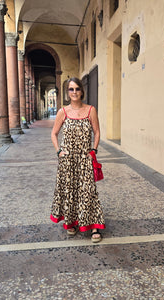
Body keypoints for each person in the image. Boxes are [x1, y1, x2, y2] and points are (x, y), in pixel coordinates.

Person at [50, 77, 105, 243]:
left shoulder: (90, 110)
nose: (74, 92)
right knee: (70, 191)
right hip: (68, 160)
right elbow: (54, 134)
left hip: (85, 158)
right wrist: (59, 151)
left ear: (82, 91)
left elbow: (97, 132)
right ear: (67, 93)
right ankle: (71, 222)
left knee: (88, 191)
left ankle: (94, 225)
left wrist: (93, 151)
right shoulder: (63, 112)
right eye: (71, 89)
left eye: (77, 89)